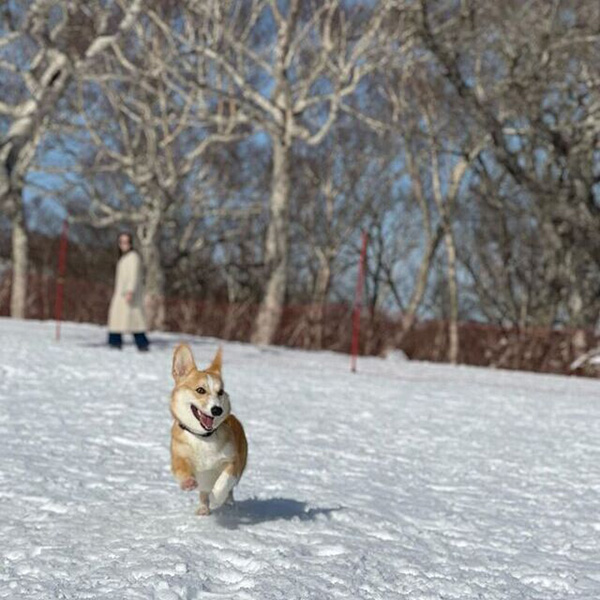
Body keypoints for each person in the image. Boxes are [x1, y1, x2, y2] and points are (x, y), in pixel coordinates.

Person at [107, 232, 149, 351]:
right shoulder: (123, 258)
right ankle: (114, 342)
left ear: (130, 243)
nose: (123, 244)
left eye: (126, 242)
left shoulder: (133, 257)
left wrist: (130, 290)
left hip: (129, 294)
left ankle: (142, 344)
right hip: (121, 293)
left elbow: (134, 276)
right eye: (121, 242)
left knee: (135, 320)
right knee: (117, 320)